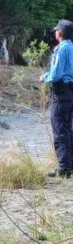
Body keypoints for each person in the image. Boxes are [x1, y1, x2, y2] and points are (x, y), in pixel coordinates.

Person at [40, 19, 73, 177]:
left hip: (61, 94)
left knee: (59, 129)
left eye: (56, 30)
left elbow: (56, 75)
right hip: (71, 94)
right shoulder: (72, 48)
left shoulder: (61, 49)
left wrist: (44, 77)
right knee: (68, 129)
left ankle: (64, 168)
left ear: (60, 33)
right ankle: (69, 165)